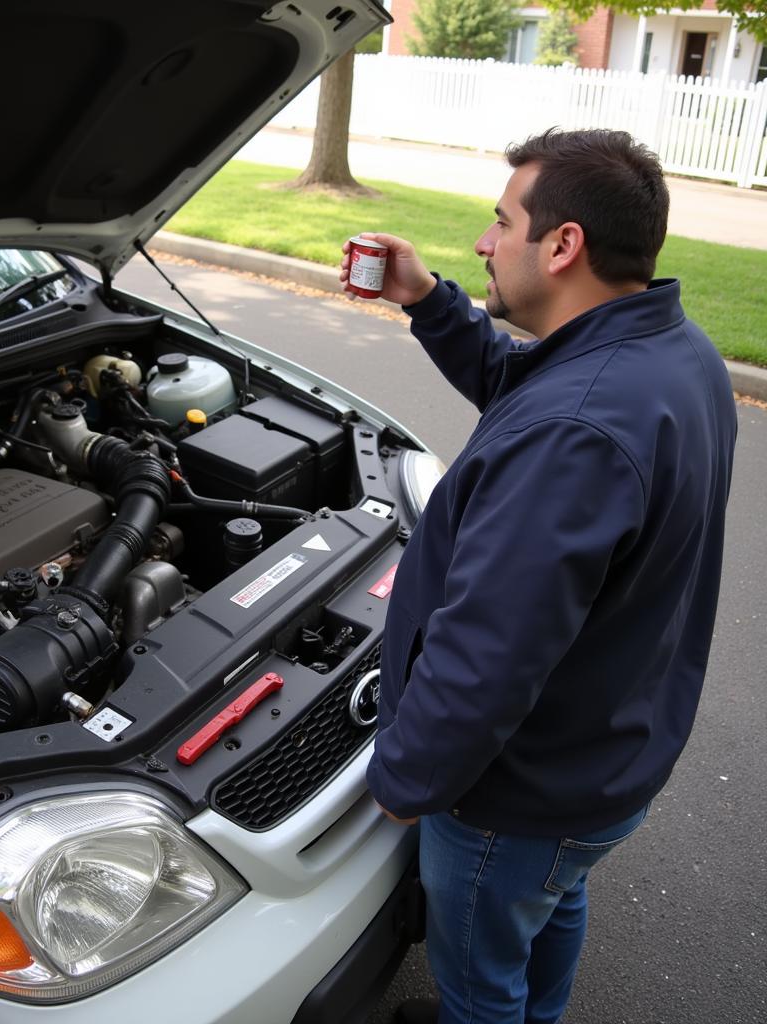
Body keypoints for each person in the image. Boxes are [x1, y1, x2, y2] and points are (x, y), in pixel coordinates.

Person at [340, 129, 737, 1024]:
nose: (483, 242)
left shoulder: (577, 431)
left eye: (500, 221)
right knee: (553, 898)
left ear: (563, 246)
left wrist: (406, 783)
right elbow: (528, 386)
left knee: (479, 979)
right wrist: (430, 301)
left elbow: (488, 656)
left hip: (515, 798)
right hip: (602, 762)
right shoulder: (672, 357)